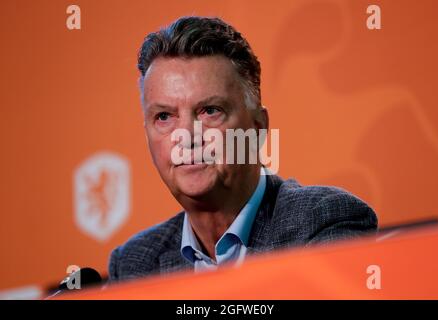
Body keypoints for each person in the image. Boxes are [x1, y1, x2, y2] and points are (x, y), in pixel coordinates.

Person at [108, 16, 377, 282]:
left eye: (210, 111)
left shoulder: (323, 223)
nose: (187, 136)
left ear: (258, 127)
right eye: (164, 117)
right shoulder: (135, 264)